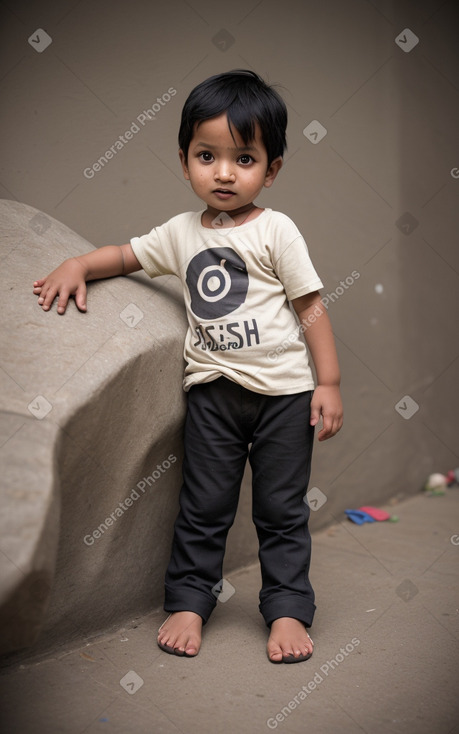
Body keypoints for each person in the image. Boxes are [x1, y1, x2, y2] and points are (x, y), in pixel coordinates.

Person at [33, 70, 343, 664]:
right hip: (213, 397)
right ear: (185, 160)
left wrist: (328, 382)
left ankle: (286, 609)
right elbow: (124, 255)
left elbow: (310, 307)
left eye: (244, 158)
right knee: (203, 506)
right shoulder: (179, 235)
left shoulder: (278, 230)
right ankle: (189, 601)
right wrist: (78, 264)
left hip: (284, 399)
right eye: (208, 155)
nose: (224, 172)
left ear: (271, 169)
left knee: (280, 511)